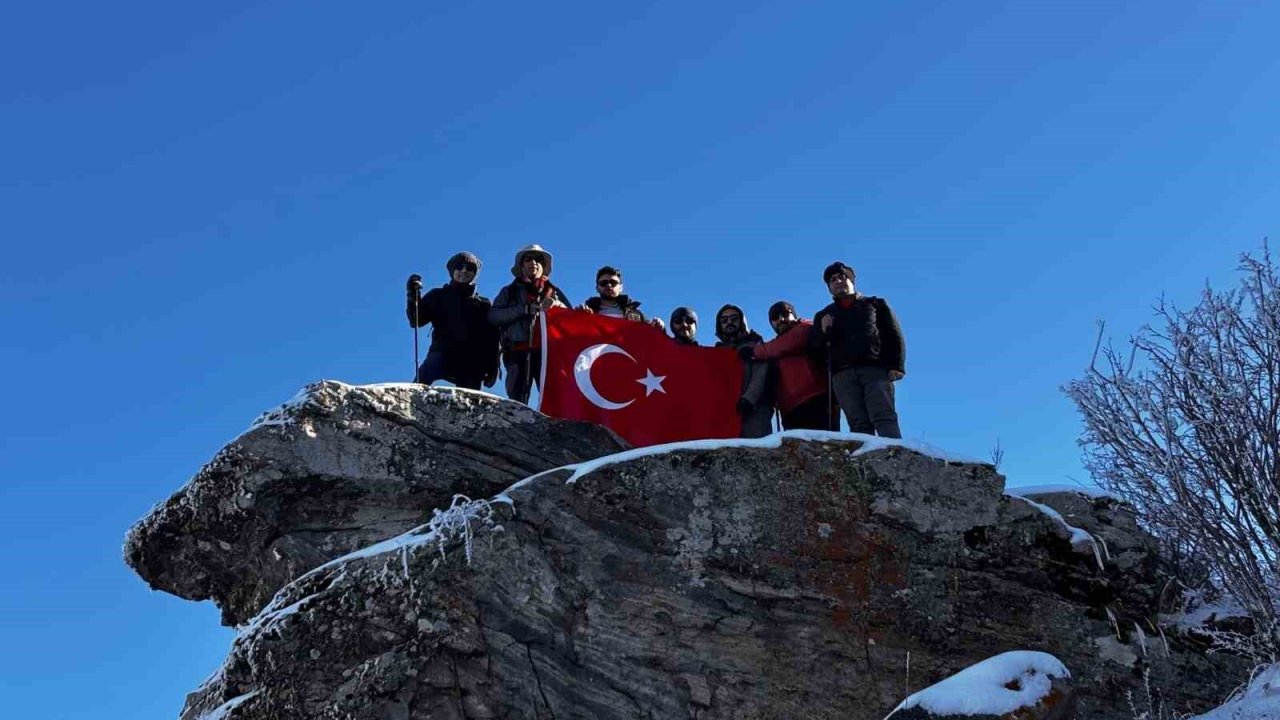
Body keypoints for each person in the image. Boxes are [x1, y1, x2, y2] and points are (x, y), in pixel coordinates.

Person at [812, 262, 905, 438]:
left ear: (852, 281)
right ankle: (866, 462)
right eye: (833, 280)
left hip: (874, 368)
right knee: (857, 422)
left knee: (884, 416)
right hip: (842, 374)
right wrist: (824, 332)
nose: (838, 281)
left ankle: (894, 458)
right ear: (829, 288)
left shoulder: (875, 304)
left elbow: (893, 334)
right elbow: (815, 349)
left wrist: (896, 365)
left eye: (842, 277)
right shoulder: (823, 315)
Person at [488, 244, 571, 404]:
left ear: (543, 266)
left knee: (552, 399)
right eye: (529, 259)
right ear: (522, 265)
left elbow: (570, 317)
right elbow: (494, 316)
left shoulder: (554, 292)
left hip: (547, 354)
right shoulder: (509, 292)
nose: (534, 262)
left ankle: (551, 429)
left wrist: (556, 306)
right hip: (516, 351)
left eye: (538, 260)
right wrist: (524, 309)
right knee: (517, 401)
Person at [405, 252, 499, 390]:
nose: (464, 271)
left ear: (475, 274)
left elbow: (491, 339)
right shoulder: (438, 296)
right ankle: (406, 402)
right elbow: (416, 320)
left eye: (470, 268)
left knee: (471, 401)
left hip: (472, 361)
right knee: (423, 377)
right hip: (442, 354)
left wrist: (492, 367)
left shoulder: (483, 305)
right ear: (452, 271)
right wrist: (413, 297)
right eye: (459, 266)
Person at [740, 301, 833, 430]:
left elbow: (786, 344)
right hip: (789, 408)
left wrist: (753, 351)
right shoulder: (773, 346)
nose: (781, 319)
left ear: (794, 315)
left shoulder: (806, 328)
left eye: (785, 314)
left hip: (816, 399)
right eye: (775, 317)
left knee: (824, 443)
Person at [715, 304, 774, 438]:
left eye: (733, 318)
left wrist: (748, 399)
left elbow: (761, 374)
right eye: (724, 320)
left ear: (742, 321)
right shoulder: (716, 353)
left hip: (756, 412)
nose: (729, 322)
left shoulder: (756, 345)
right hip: (727, 414)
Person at [578, 266, 666, 330]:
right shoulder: (586, 312)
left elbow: (653, 338)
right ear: (597, 288)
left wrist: (660, 326)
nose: (609, 285)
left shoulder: (636, 315)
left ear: (621, 288)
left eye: (613, 282)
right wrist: (577, 316)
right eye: (604, 283)